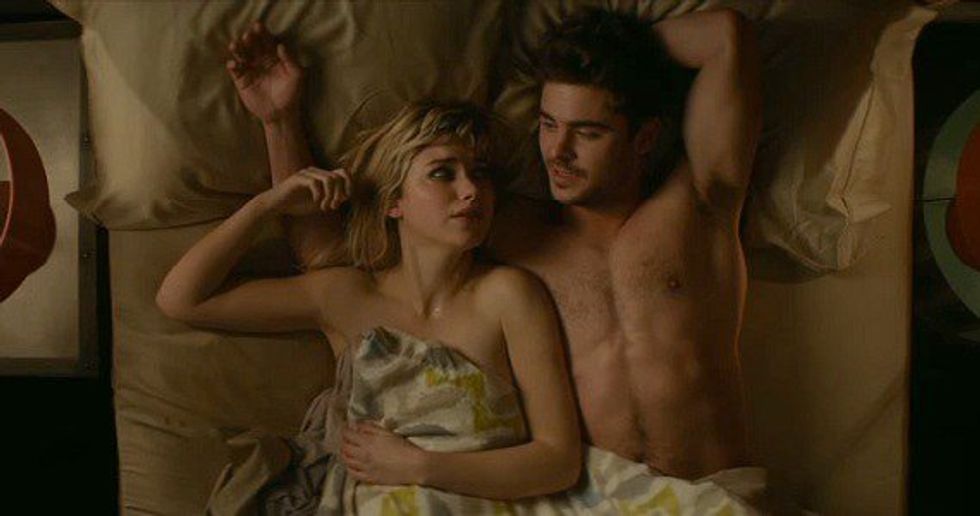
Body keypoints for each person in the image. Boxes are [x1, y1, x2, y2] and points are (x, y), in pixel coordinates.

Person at [226, 5, 765, 506]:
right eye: (548, 125)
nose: (557, 152)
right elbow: (326, 252)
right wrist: (280, 122)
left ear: (644, 137)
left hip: (715, 494)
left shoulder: (700, 202)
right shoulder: (510, 230)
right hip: (591, 501)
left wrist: (617, 58)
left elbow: (724, 36)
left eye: (589, 132)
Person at [155, 101, 583, 510]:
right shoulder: (346, 296)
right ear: (394, 201)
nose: (471, 190)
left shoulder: (509, 295)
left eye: (480, 174)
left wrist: (420, 466)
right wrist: (268, 205)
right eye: (442, 173)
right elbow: (183, 299)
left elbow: (558, 461)